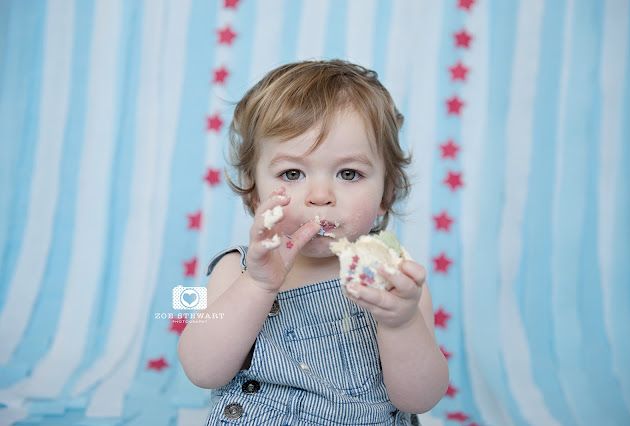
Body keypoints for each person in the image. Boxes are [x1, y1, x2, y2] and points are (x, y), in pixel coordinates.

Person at [177, 59, 449, 425]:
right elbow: (202, 370)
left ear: (386, 193)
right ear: (255, 192)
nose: (320, 196)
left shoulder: (393, 280)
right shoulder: (237, 269)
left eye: (349, 173)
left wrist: (400, 324)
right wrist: (258, 285)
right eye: (292, 173)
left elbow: (420, 398)